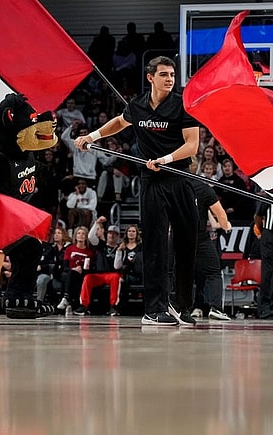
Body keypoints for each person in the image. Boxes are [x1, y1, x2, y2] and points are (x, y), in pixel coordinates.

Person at [74, 56, 199, 326]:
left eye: (172, 75)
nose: (170, 79)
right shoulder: (138, 106)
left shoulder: (182, 105)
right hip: (151, 182)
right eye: (164, 74)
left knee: (187, 241)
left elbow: (192, 145)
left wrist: (164, 160)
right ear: (150, 77)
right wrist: (91, 137)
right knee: (154, 245)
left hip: (178, 176)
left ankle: (182, 304)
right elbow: (119, 122)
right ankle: (154, 309)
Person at [191, 178, 232, 321]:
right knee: (214, 272)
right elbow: (220, 214)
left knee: (177, 273)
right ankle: (215, 308)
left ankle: (177, 307)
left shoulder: (173, 185)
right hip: (199, 236)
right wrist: (226, 226)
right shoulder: (203, 188)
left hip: (179, 236)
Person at [76, 218, 122, 316]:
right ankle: (83, 306)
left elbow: (118, 266)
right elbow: (91, 236)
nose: (111, 235)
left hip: (111, 274)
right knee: (88, 278)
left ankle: (113, 306)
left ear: (118, 236)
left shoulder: (121, 248)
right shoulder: (102, 245)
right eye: (110, 233)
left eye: (114, 233)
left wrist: (119, 251)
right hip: (99, 274)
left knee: (115, 277)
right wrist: (97, 223)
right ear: (107, 234)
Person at [57, 226, 95, 314]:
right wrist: (74, 269)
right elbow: (65, 266)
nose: (80, 235)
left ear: (86, 236)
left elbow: (89, 267)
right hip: (70, 272)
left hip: (83, 274)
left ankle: (67, 300)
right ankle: (67, 299)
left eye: (83, 234)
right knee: (71, 273)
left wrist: (81, 269)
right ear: (75, 236)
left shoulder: (89, 252)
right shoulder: (69, 249)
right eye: (78, 233)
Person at [36, 227, 71, 303]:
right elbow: (45, 262)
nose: (56, 235)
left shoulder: (68, 248)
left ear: (64, 235)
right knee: (41, 279)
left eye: (59, 233)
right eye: (55, 233)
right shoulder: (51, 248)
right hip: (49, 273)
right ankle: (39, 303)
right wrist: (46, 266)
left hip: (62, 274)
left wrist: (51, 265)